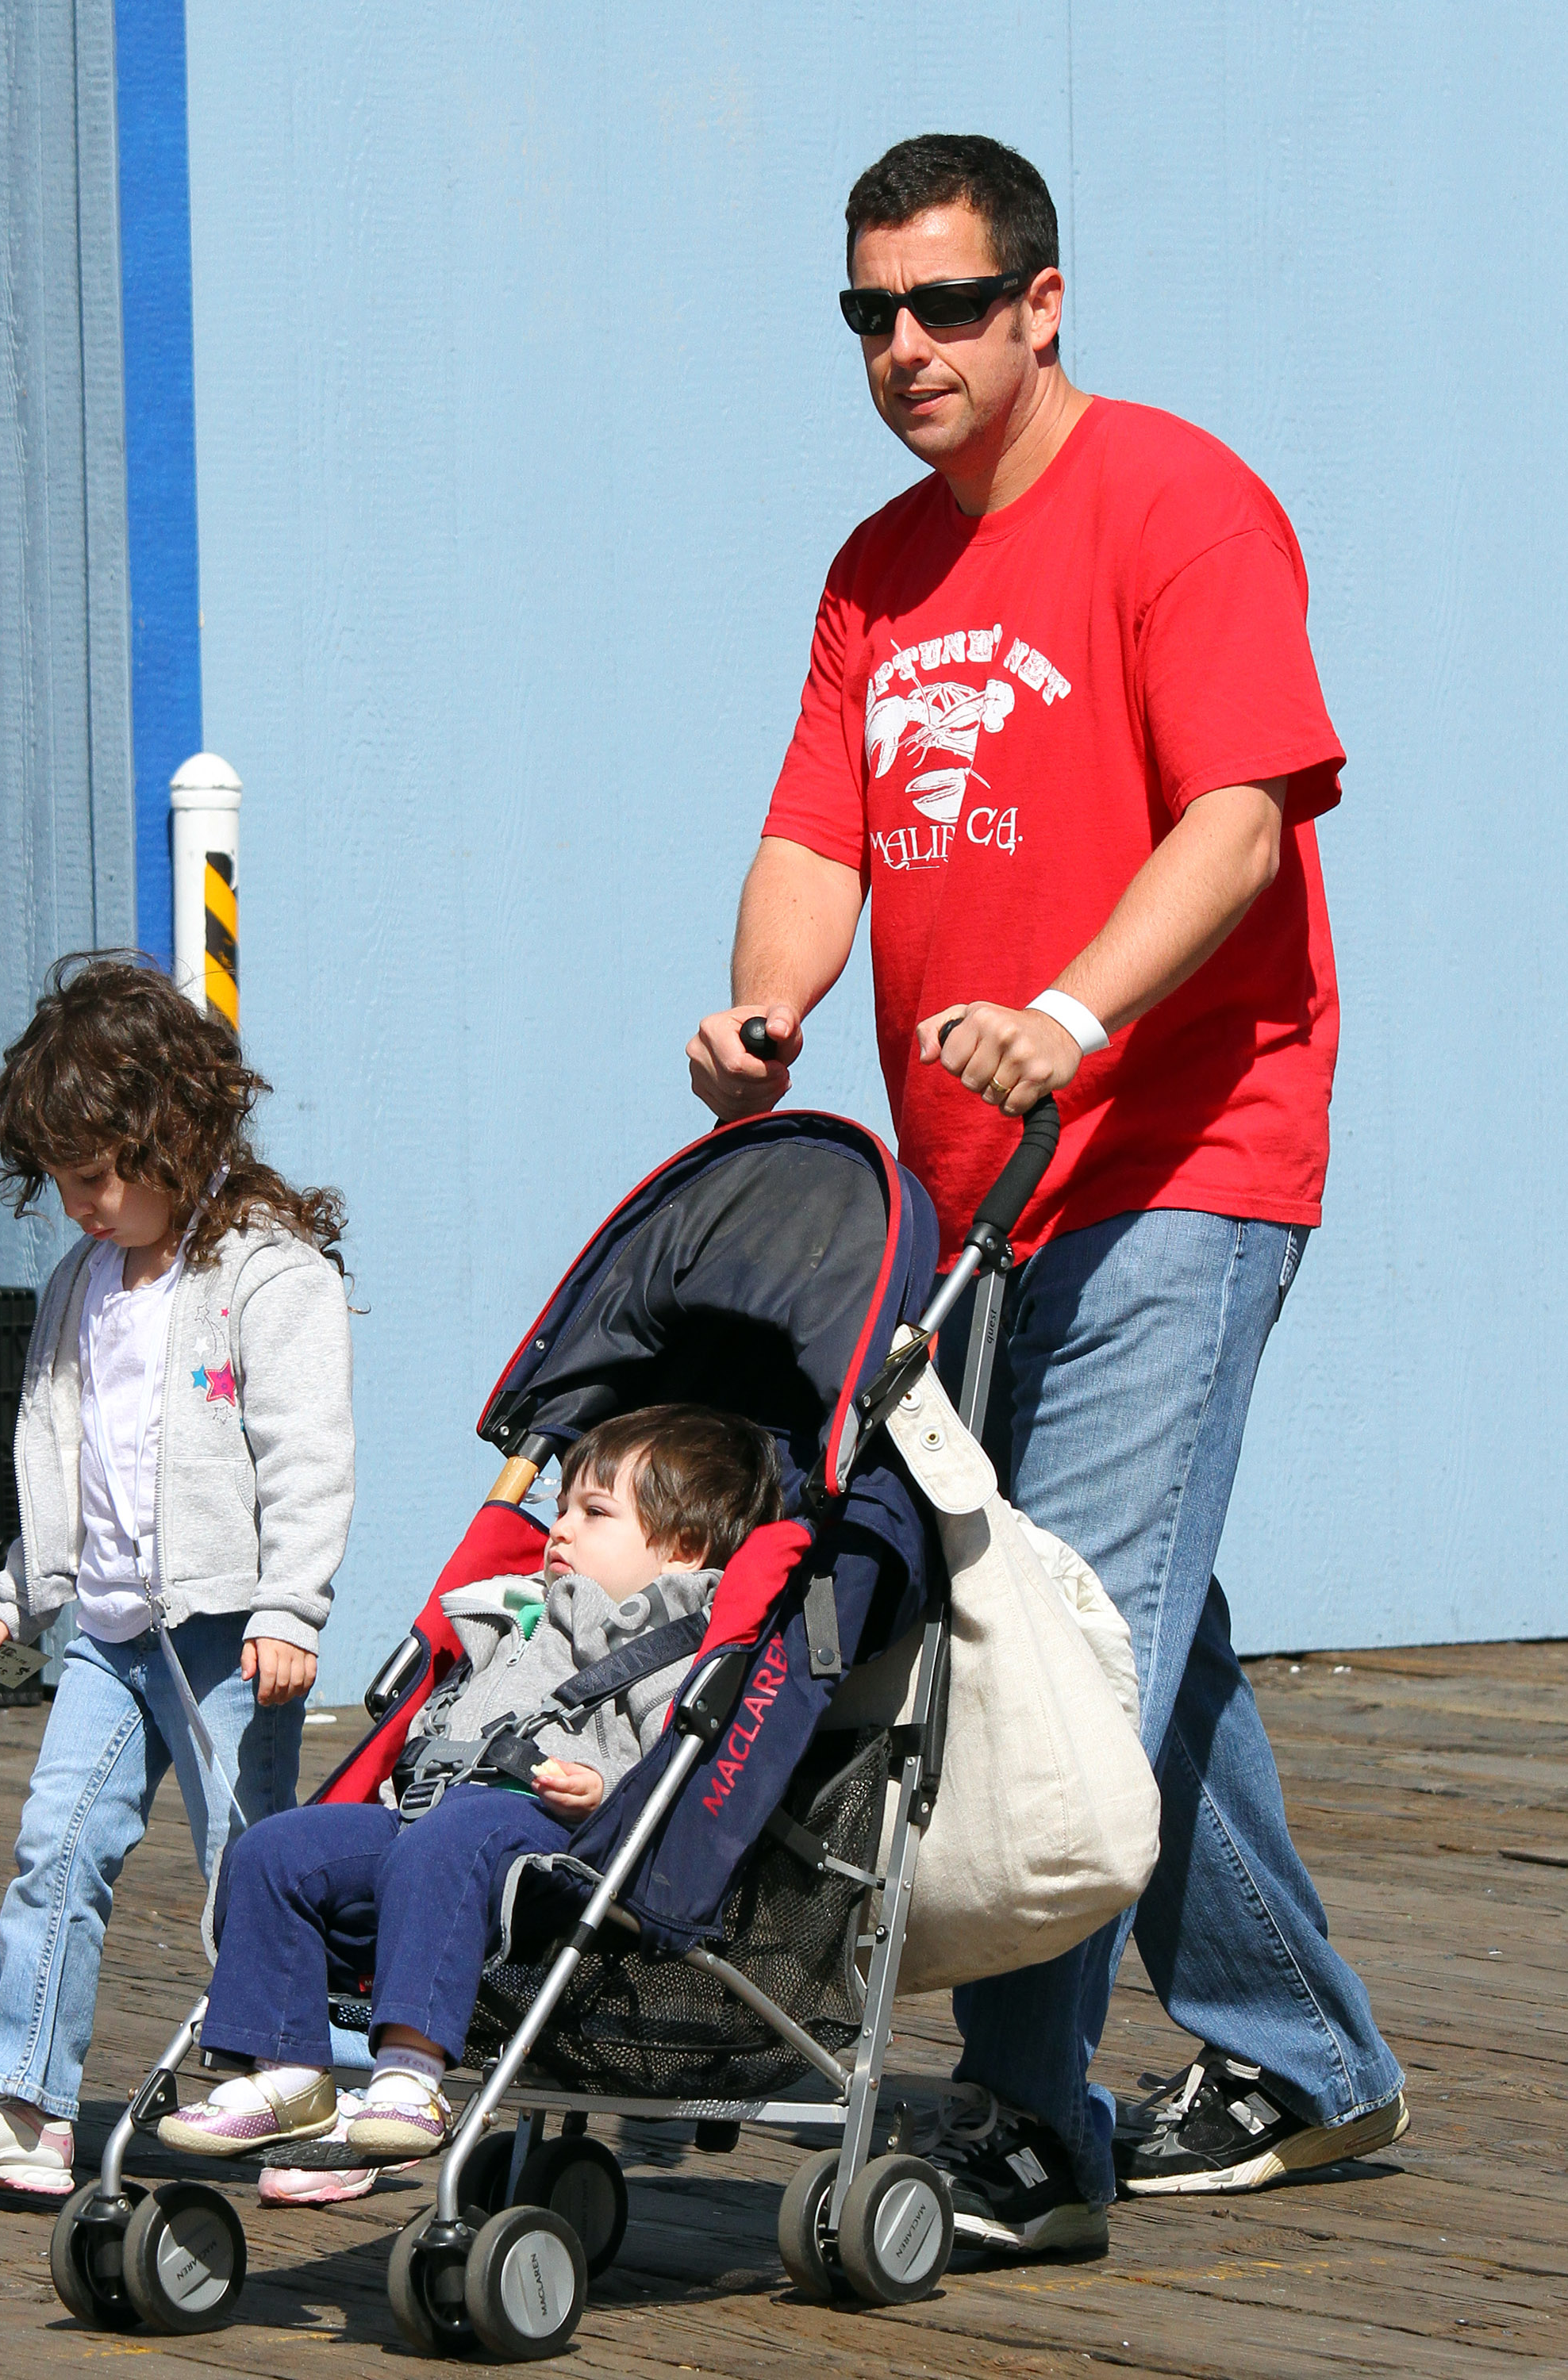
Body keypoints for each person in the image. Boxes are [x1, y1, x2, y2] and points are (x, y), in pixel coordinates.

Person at [686, 134, 1405, 2251]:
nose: (900, 349)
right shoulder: (874, 570)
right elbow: (816, 833)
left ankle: (1021, 2130)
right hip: (977, 1194)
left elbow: (1243, 820)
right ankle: (1297, 2053)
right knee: (1121, 1629)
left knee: (1035, 1637)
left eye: (938, 307)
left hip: (1182, 1149)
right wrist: (758, 1007)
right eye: (865, 315)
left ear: (1039, 302)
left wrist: (1076, 1015)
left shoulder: (1172, 502)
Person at [0, 954, 355, 2198]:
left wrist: (293, 1604)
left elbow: (307, 1453)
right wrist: (6, 1598)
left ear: (176, 1131)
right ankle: (24, 2104)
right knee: (55, 1848)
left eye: (97, 1175)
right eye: (61, 1180)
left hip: (231, 1629)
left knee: (251, 1864)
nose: (80, 1204)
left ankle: (307, 2096)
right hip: (107, 1630)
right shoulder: (79, 1285)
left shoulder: (263, 1271)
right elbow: (58, 1460)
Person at [155, 1403, 782, 2175]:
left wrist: (606, 1788)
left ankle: (411, 2074)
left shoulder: (676, 1630)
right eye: (558, 1509)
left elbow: (681, 1761)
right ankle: (285, 2070)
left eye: (594, 1513)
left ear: (683, 1549)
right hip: (431, 1813)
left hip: (555, 1840)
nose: (560, 1530)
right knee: (275, 1850)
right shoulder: (520, 1610)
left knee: (455, 1838)